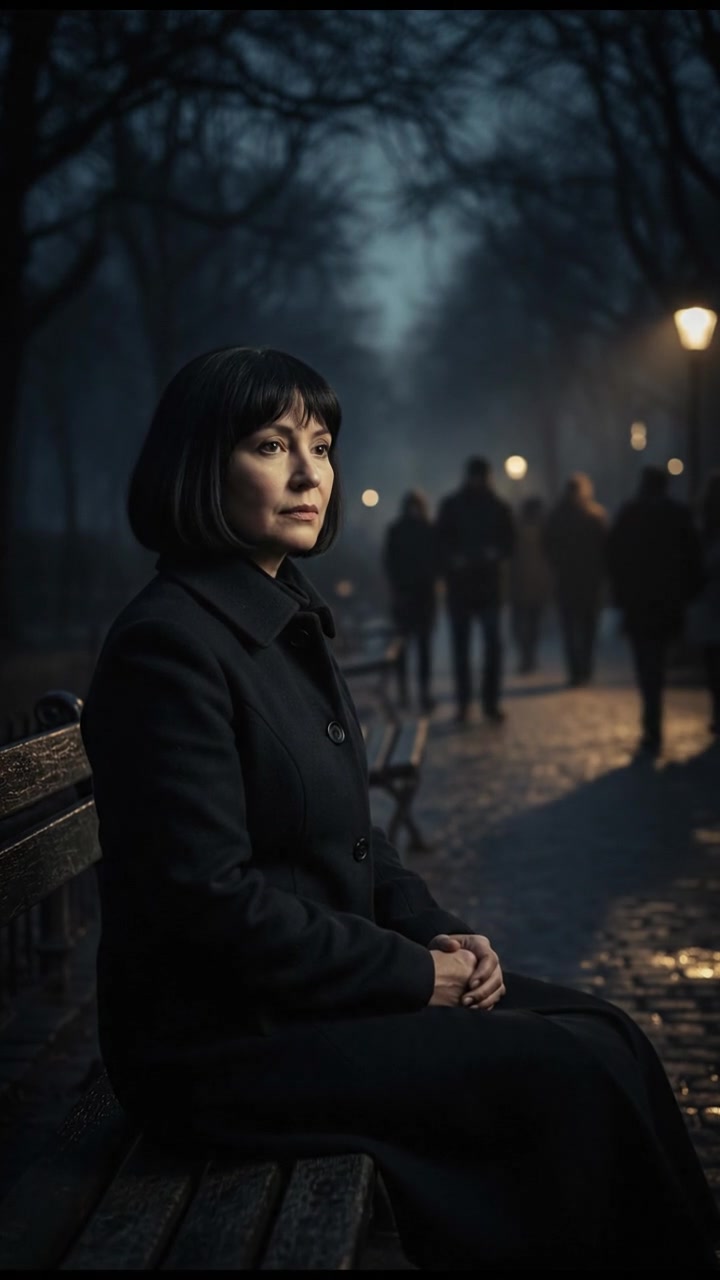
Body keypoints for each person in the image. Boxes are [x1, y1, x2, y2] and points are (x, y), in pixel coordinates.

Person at [80, 347, 720, 1271]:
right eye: (272, 445)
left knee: (609, 1034)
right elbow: (206, 905)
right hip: (220, 1047)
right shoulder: (169, 647)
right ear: (198, 464)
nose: (310, 475)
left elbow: (351, 836)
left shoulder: (279, 618)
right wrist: (413, 975)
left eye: (322, 446)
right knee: (568, 1074)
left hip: (306, 999)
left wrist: (439, 931)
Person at [606, 464, 705, 756]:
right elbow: (693, 557)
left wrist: (620, 594)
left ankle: (652, 723)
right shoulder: (677, 514)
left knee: (646, 663)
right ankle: (654, 719)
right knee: (659, 660)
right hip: (668, 601)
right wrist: (688, 593)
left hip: (638, 601)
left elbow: (613, 557)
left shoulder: (630, 513)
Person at [436, 456, 515, 724]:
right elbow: (441, 545)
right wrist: (454, 559)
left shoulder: (492, 507)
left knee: (487, 649)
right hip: (470, 588)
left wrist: (492, 554)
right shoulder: (492, 506)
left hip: (481, 587)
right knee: (469, 651)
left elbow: (509, 543)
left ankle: (483, 704)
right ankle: (470, 704)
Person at [544, 471, 609, 686]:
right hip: (586, 581)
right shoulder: (595, 516)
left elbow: (548, 547)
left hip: (571, 580)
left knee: (573, 629)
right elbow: (605, 548)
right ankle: (583, 669)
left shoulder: (558, 516)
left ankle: (578, 671)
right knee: (585, 629)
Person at [382, 489, 438, 712]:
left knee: (417, 649)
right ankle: (410, 693)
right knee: (409, 649)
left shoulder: (402, 530)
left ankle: (416, 692)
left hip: (414, 597)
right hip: (413, 596)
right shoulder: (426, 529)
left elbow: (389, 562)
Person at [683, 468, 720, 737]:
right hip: (709, 600)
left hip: (708, 602)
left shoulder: (703, 528)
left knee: (713, 662)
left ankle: (718, 710)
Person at [508, 494, 553, 674]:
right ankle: (529, 656)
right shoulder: (545, 530)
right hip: (536, 585)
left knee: (521, 626)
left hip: (520, 585)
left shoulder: (515, 529)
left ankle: (526, 656)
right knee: (532, 626)